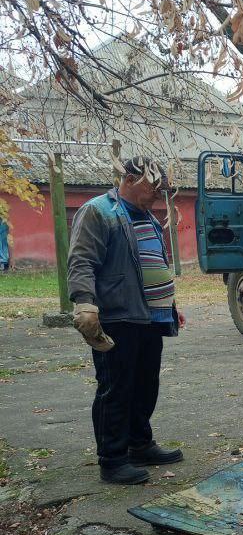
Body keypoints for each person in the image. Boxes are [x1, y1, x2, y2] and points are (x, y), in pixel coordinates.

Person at [67, 158, 184, 485]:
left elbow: (152, 263)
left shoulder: (147, 215)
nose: (158, 193)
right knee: (116, 388)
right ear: (129, 179)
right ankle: (113, 459)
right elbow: (81, 261)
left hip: (150, 316)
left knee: (145, 384)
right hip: (117, 315)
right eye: (153, 185)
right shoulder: (98, 211)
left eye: (161, 188)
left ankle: (139, 444)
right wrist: (84, 303)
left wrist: (169, 305)